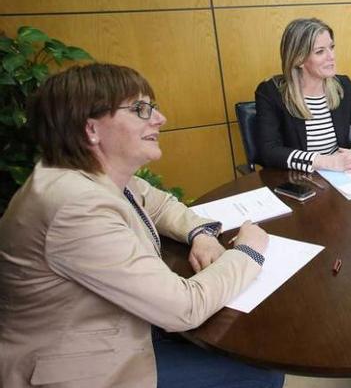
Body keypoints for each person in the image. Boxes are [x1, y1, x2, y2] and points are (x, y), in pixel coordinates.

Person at [0, 63, 282, 388]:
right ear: (91, 129)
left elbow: (159, 203)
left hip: (124, 322)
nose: (159, 119)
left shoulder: (88, 175)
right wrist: (248, 252)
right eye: (140, 109)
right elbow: (184, 308)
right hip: (86, 365)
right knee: (260, 371)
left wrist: (200, 234)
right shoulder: (73, 206)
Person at [256, 17, 351, 172]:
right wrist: (328, 162)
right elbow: (269, 151)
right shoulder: (271, 92)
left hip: (341, 176)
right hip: (299, 180)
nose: (331, 56)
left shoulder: (342, 85)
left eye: (331, 47)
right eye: (320, 51)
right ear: (298, 59)